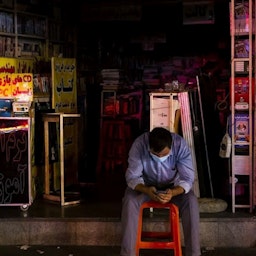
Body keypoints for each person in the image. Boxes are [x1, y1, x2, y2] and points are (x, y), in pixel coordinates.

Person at [120, 127, 201, 256]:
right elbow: (132, 178)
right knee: (130, 200)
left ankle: (194, 253)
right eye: (155, 155)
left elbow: (187, 178)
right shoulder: (140, 144)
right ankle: (127, 253)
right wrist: (147, 190)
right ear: (149, 147)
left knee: (191, 201)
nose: (160, 157)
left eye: (164, 155)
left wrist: (172, 193)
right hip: (146, 186)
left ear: (171, 147)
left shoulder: (180, 145)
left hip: (173, 187)